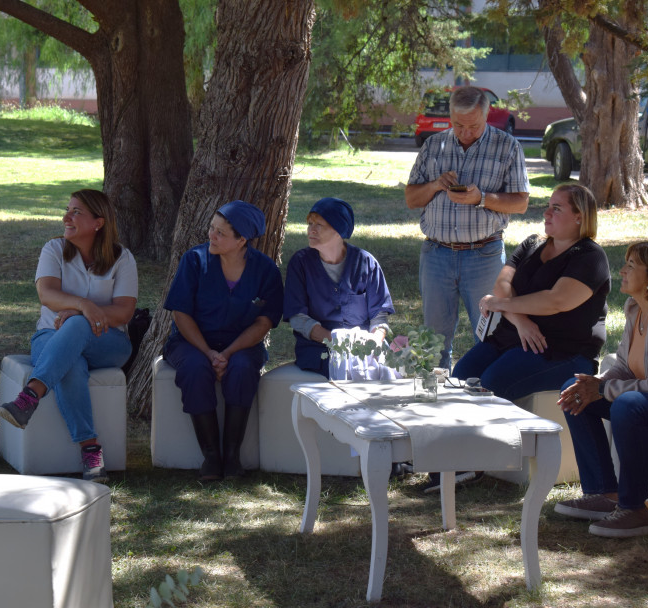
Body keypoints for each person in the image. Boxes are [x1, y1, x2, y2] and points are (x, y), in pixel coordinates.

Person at [0, 189, 137, 483]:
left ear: (98, 222)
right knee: (70, 364)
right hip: (50, 337)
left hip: (108, 343)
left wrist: (81, 314)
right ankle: (91, 451)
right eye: (67, 210)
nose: (66, 217)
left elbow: (123, 313)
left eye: (76, 212)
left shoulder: (122, 258)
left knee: (77, 325)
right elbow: (46, 294)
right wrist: (83, 305)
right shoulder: (54, 249)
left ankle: (30, 396)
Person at [555, 239, 648, 537]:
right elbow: (624, 364)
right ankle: (604, 493)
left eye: (631, 266)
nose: (621, 271)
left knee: (627, 404)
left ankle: (635, 509)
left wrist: (606, 390)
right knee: (575, 388)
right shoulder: (635, 307)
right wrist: (596, 383)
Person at [405, 86, 530, 370]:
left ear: (487, 116)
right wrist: (436, 184)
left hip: (483, 255)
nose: (465, 132)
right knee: (433, 342)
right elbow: (412, 198)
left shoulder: (507, 146)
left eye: (473, 125)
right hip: (437, 254)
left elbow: (520, 203)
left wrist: (481, 199)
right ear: (450, 117)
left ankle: (484, 403)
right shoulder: (433, 145)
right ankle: (434, 400)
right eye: (458, 125)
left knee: (490, 337)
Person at [453, 183, 610, 401]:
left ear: (579, 217)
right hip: (510, 337)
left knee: (491, 385)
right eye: (548, 206)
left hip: (560, 351)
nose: (546, 213)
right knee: (459, 377)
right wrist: (520, 322)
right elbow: (502, 285)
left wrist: (499, 304)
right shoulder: (532, 243)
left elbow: (556, 301)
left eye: (556, 208)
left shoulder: (590, 256)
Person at [162, 200, 283, 481]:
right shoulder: (194, 260)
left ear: (242, 240)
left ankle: (232, 456)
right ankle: (211, 457)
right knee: (194, 369)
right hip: (191, 341)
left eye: (220, 233)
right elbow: (181, 314)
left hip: (240, 344)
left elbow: (264, 322)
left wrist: (227, 352)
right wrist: (208, 353)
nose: (211, 236)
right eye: (211, 228)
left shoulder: (265, 271)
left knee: (241, 369)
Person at [283, 197, 395, 378]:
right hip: (319, 349)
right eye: (310, 223)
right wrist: (338, 342)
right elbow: (298, 318)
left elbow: (379, 317)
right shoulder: (301, 263)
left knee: (386, 373)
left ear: (339, 230)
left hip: (365, 347)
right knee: (346, 371)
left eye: (319, 224)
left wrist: (373, 343)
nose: (311, 229)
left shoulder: (366, 263)